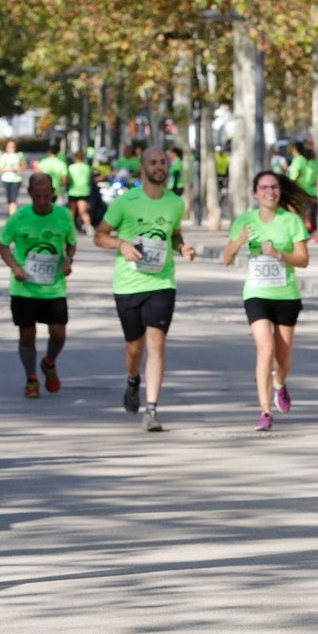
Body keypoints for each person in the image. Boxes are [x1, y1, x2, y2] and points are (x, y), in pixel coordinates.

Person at [94, 146, 197, 431]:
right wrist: (122, 244)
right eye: (153, 163)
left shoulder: (175, 203)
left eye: (162, 163)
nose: (159, 167)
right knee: (134, 346)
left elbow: (174, 235)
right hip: (128, 283)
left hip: (162, 282)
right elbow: (100, 236)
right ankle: (132, 380)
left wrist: (182, 247)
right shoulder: (126, 202)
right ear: (143, 168)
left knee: (157, 344)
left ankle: (151, 409)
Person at [223, 170, 310, 430]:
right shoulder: (244, 222)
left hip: (286, 294)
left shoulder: (291, 221)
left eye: (273, 187)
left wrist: (279, 254)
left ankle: (279, 384)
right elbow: (225, 259)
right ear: (255, 193)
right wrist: (238, 242)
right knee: (265, 350)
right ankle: (265, 411)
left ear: (279, 191)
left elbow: (303, 260)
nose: (269, 192)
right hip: (257, 294)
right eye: (263, 188)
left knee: (283, 360)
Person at [0, 173, 77, 399]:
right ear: (30, 194)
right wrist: (15, 268)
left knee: (58, 333)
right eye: (37, 196)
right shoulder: (19, 217)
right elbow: (2, 245)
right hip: (25, 288)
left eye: (46, 196)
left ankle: (49, 362)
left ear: (53, 193)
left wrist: (69, 260)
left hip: (54, 287)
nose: (42, 201)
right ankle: (31, 378)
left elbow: (71, 244)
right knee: (27, 334)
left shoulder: (63, 216)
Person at [66, 148, 95, 233]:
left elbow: (68, 179)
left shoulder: (71, 167)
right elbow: (90, 178)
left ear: (75, 157)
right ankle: (89, 227)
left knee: (72, 211)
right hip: (84, 191)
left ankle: (71, 228)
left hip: (73, 191)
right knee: (83, 211)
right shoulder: (87, 167)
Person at [0, 140, 27, 215]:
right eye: (9, 146)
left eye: (12, 146)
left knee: (14, 198)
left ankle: (12, 215)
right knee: (9, 198)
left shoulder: (19, 155)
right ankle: (10, 212)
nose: (11, 148)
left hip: (16, 179)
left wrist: (20, 170)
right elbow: (0, 168)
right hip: (6, 178)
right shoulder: (4, 156)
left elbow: (23, 165)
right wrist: (9, 169)